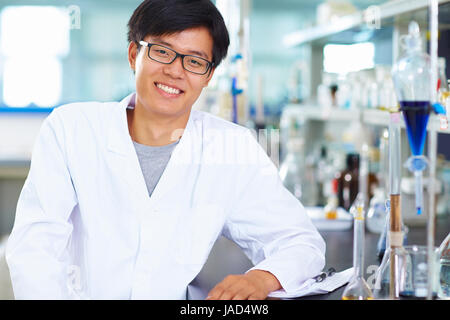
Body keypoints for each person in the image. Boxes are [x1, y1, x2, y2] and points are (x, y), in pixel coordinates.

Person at [6, 0, 325, 300]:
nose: (176, 70)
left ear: (209, 76)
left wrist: (260, 279)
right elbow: (35, 248)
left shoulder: (232, 147)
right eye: (162, 51)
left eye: (195, 61)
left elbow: (301, 243)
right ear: (134, 54)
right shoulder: (72, 128)